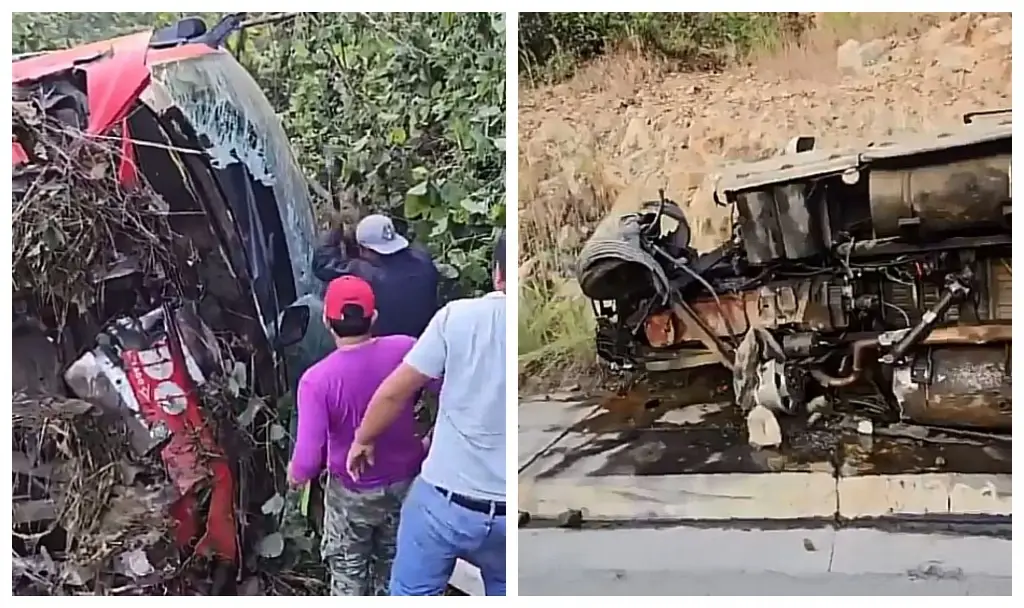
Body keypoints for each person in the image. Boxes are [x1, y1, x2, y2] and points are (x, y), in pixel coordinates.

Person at [346, 231, 507, 596]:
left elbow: (393, 392)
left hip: (446, 502)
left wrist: (363, 439)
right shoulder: (423, 265)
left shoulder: (457, 318)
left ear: (497, 274)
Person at [287, 275, 429, 596]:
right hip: (405, 485)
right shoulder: (406, 349)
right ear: (373, 316)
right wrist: (432, 440)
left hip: (351, 495)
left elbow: (307, 462)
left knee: (349, 577)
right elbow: (449, 391)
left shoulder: (316, 381)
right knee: (394, 569)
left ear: (326, 320)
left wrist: (294, 477)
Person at [312, 213, 439, 338]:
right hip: (424, 339)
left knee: (312, 302)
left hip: (387, 346)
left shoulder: (367, 275)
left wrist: (334, 231)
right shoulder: (423, 262)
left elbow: (323, 266)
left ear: (364, 249)